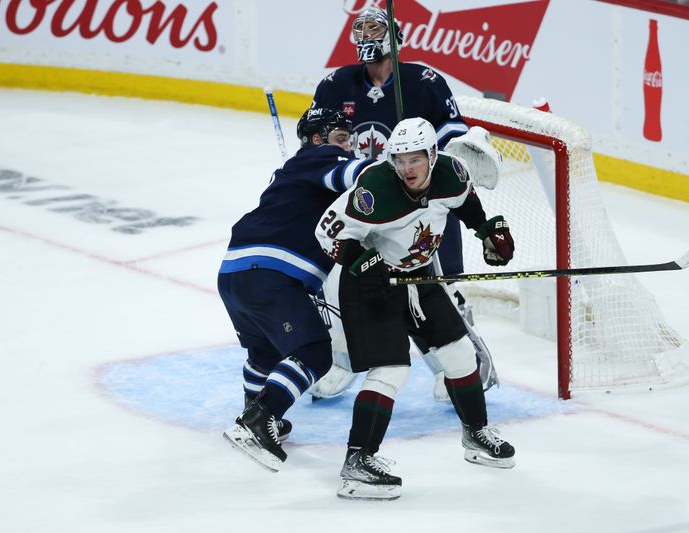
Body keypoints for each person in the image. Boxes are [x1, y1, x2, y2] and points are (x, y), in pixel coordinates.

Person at [315, 118, 517, 501]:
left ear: (432, 156)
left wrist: (488, 230)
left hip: (417, 277)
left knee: (460, 354)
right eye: (400, 159)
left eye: (415, 159)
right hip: (369, 285)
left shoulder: (451, 174)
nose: (407, 168)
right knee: (392, 369)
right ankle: (357, 462)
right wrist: (363, 263)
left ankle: (476, 434)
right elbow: (327, 234)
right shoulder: (376, 189)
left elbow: (467, 204)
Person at [310, 6, 502, 401]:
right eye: (358, 27)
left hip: (417, 209)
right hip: (365, 209)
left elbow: (452, 145)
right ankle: (342, 363)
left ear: (393, 36)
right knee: (342, 288)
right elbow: (317, 138)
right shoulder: (335, 84)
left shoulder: (424, 81)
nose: (365, 35)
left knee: (438, 287)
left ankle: (464, 365)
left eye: (374, 28)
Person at [218, 108, 372, 472]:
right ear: (317, 139)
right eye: (339, 139)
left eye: (348, 141)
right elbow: (358, 175)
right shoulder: (321, 157)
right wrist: (400, 166)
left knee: (265, 353)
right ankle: (259, 421)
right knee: (315, 351)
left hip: (235, 273)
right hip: (272, 274)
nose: (346, 148)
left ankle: (253, 408)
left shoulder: (296, 171)